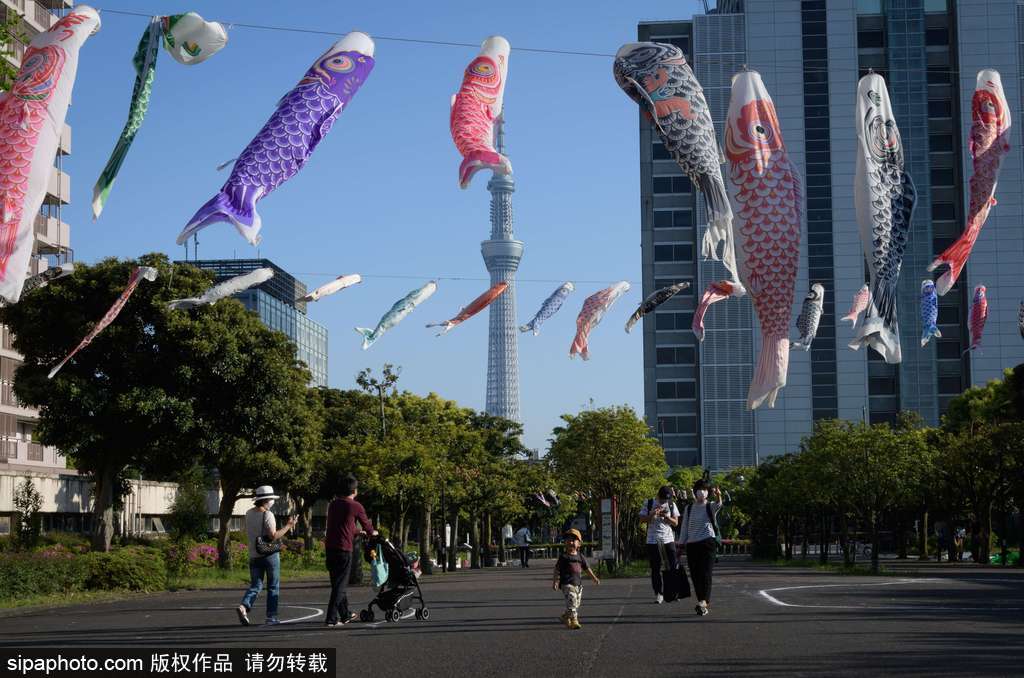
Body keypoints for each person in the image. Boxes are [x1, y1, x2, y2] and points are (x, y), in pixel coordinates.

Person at [237, 485, 297, 626]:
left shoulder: (249, 513)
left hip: (254, 554)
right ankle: (271, 616)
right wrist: (289, 525)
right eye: (271, 499)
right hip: (269, 555)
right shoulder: (268, 515)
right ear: (267, 500)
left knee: (256, 585)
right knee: (272, 586)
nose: (272, 501)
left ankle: (244, 605)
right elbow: (273, 535)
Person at [324, 474, 377, 627]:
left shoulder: (333, 504)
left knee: (337, 583)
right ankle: (331, 618)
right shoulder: (356, 506)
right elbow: (367, 527)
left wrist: (355, 531)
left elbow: (342, 526)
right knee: (340, 586)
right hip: (344, 548)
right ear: (354, 490)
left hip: (330, 547)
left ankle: (345, 614)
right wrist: (372, 532)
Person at [677, 479, 722, 617]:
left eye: (704, 489)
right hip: (692, 545)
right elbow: (684, 527)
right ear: (694, 491)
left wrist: (718, 495)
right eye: (699, 489)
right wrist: (680, 545)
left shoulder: (710, 506)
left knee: (706, 573)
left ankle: (704, 602)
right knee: (695, 575)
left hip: (708, 543)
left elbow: (719, 504)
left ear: (708, 492)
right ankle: (701, 601)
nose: (701, 492)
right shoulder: (689, 508)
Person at [639, 485, 680, 603]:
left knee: (672, 566)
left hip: (668, 539)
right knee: (655, 568)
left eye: (666, 500)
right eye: (662, 499)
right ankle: (659, 593)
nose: (664, 502)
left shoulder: (671, 504)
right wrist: (652, 514)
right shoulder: (649, 502)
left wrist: (666, 517)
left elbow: (676, 523)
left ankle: (672, 591)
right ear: (658, 495)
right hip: (652, 540)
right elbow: (642, 519)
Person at [552, 528, 599, 629]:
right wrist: (556, 581)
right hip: (567, 584)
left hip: (578, 585)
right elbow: (557, 570)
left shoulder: (580, 557)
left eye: (573, 540)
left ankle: (565, 616)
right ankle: (574, 621)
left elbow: (587, 569)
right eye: (568, 540)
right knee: (572, 603)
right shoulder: (563, 557)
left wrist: (594, 578)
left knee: (575, 605)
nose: (570, 542)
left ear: (579, 544)